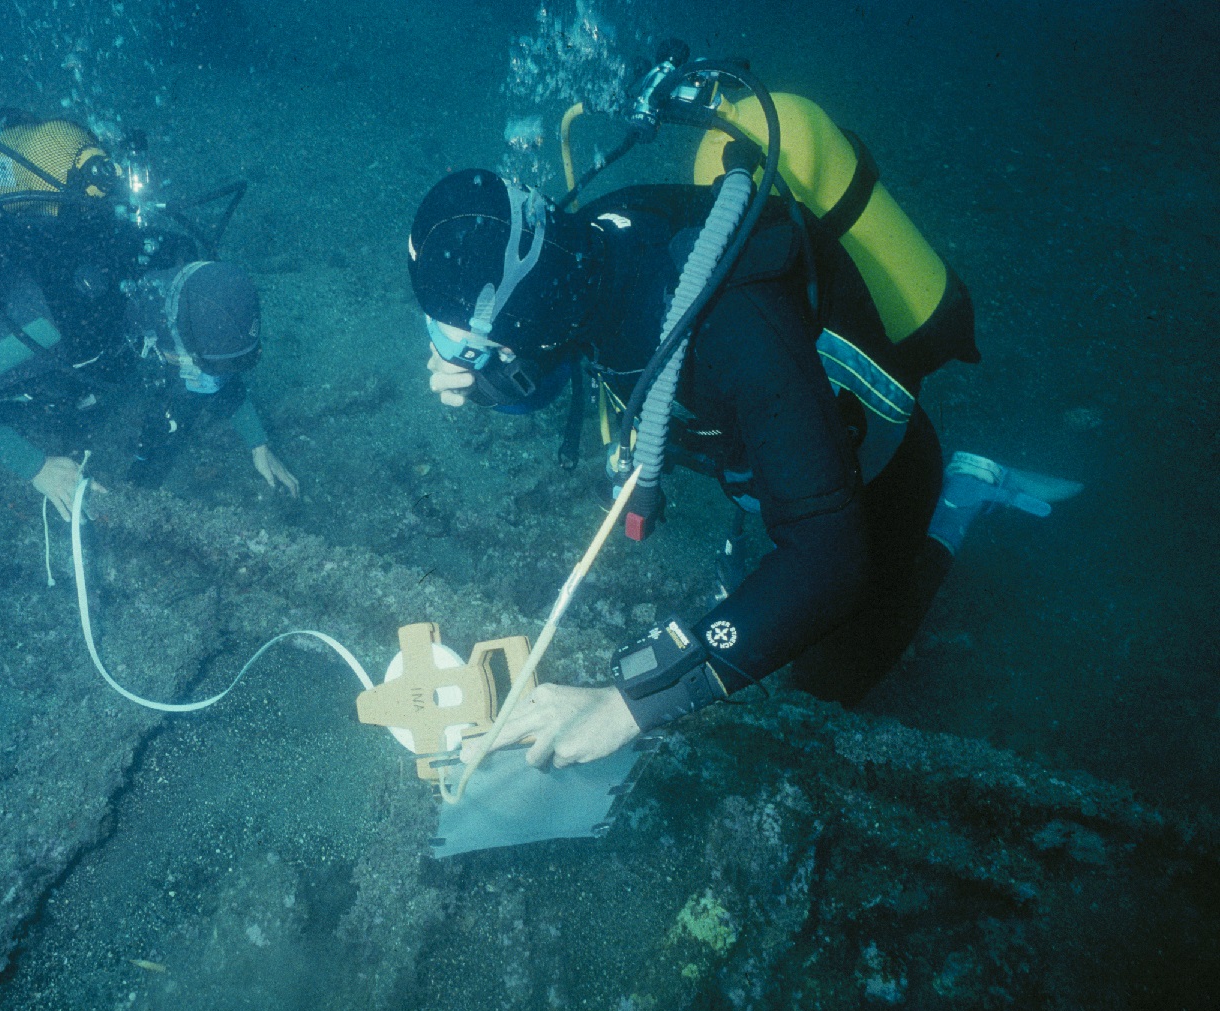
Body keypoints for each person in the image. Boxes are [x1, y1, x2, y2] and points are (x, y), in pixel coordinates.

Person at [406, 70, 1080, 770]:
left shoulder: (730, 325)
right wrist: (486, 383)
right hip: (780, 459)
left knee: (827, 689)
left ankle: (962, 497)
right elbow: (556, 353)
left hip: (877, 477)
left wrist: (630, 704)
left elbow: (830, 557)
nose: (452, 353)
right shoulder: (587, 252)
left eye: (464, 339)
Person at [0, 112, 298, 517]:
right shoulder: (59, 323)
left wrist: (257, 441)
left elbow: (208, 356)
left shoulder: (171, 260)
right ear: (169, 334)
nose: (202, 379)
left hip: (10, 267)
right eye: (197, 367)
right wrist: (36, 467)